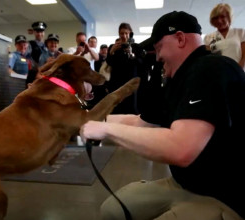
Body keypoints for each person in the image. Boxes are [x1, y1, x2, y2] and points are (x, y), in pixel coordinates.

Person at [80, 11, 245, 219]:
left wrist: (105, 129)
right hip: (183, 183)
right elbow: (142, 122)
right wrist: (91, 118)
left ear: (180, 39)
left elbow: (181, 149)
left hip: (222, 196)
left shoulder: (212, 69)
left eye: (159, 48)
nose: (157, 56)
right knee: (112, 210)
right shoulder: (178, 78)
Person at [105, 23, 139, 114]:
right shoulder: (113, 46)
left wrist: (131, 54)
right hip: (116, 82)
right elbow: (109, 63)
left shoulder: (135, 47)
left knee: (130, 108)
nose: (123, 36)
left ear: (130, 33)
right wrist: (111, 52)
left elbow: (139, 63)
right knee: (115, 107)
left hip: (130, 82)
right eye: (121, 33)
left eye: (126, 33)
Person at [204, 3, 245, 71]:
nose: (219, 21)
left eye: (222, 17)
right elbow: (209, 59)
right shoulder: (208, 38)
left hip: (239, 73)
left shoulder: (241, 33)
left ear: (229, 17)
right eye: (216, 18)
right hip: (219, 75)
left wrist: (238, 70)